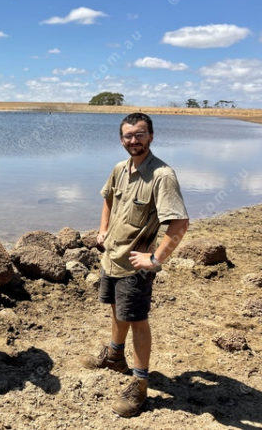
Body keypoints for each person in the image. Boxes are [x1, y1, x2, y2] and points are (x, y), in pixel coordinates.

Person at [82, 113, 189, 417]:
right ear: (121, 139)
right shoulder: (119, 169)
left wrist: (155, 259)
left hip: (135, 266)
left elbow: (180, 223)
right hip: (111, 257)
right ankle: (114, 356)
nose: (133, 140)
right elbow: (108, 200)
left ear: (151, 136)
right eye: (128, 135)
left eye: (139, 134)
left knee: (138, 321)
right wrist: (102, 230)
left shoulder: (162, 175)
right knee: (117, 309)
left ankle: (140, 385)